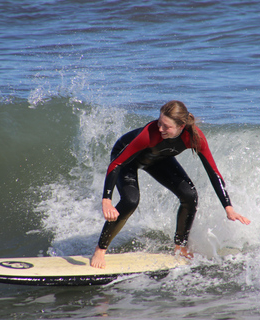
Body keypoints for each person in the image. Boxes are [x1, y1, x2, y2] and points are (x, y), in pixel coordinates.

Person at [91, 100, 250, 268]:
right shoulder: (150, 133)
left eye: (166, 126)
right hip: (126, 160)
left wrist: (228, 207)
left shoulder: (194, 137)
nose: (160, 128)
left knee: (189, 195)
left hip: (158, 159)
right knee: (130, 201)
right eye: (159, 122)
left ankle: (180, 246)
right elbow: (116, 163)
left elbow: (213, 172)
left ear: (181, 126)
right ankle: (100, 249)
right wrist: (106, 200)